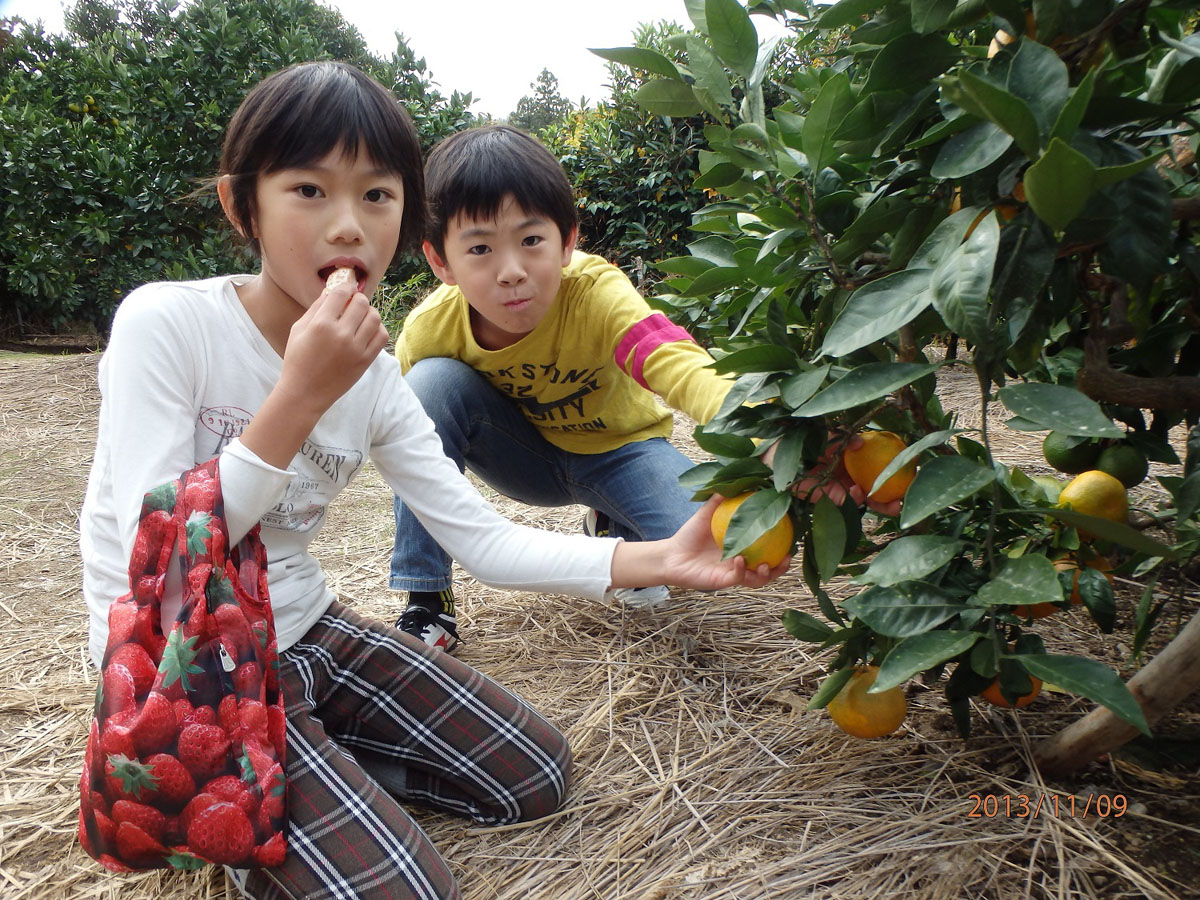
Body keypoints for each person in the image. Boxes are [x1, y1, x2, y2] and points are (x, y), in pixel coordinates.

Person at [79, 61, 787, 900]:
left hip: (305, 628)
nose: (349, 227)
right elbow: (156, 556)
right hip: (194, 660)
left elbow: (480, 537)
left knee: (536, 777)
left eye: (376, 196)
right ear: (244, 207)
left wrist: (662, 559)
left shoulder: (375, 376)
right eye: (309, 190)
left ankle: (310, 768)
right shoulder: (170, 322)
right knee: (411, 892)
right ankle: (259, 803)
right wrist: (301, 392)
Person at [390, 125, 739, 650]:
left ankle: (612, 524)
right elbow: (401, 442)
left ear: (568, 241)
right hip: (522, 457)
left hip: (621, 454)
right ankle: (427, 600)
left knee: (722, 541)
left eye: (531, 241)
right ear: (441, 262)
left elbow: (674, 361)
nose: (511, 272)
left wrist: (758, 423)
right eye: (480, 248)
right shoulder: (429, 329)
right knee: (427, 388)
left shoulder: (596, 293)